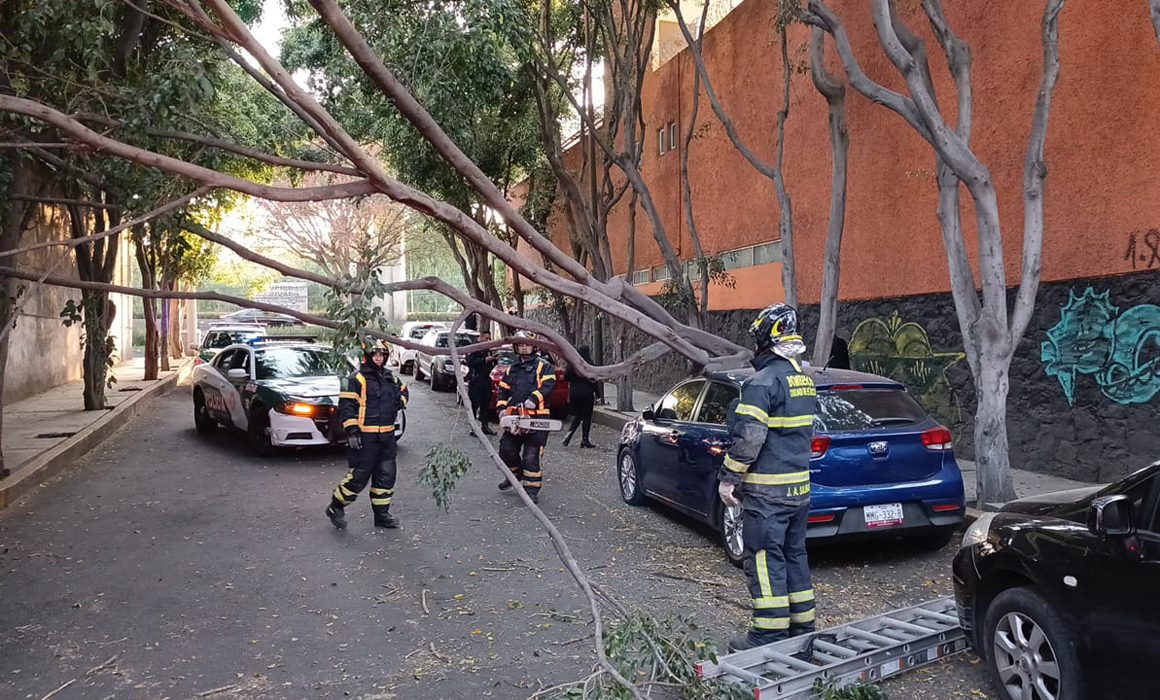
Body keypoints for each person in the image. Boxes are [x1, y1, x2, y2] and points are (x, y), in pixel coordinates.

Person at [719, 303, 817, 651]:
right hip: (800, 492)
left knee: (762, 558)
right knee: (794, 556)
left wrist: (729, 477)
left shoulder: (762, 382)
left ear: (764, 338)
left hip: (768, 496)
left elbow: (750, 438)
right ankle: (802, 629)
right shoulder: (803, 380)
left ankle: (769, 634)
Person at [325, 338, 410, 530]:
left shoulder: (391, 377)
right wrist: (352, 431)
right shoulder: (355, 379)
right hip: (366, 438)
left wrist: (399, 403)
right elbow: (346, 407)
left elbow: (404, 391)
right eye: (375, 354)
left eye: (382, 355)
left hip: (387, 437)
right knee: (358, 478)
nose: (379, 358)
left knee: (386, 476)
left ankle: (381, 515)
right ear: (367, 357)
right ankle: (335, 507)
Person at [495, 330, 556, 504]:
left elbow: (548, 385)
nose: (523, 347)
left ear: (533, 346)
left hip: (537, 420)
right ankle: (515, 475)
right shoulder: (511, 370)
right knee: (506, 449)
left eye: (526, 344)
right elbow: (502, 392)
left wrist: (533, 399)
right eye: (520, 344)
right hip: (515, 419)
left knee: (531, 455)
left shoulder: (544, 366)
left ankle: (531, 490)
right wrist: (501, 411)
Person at [562, 345, 597, 448]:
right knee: (586, 417)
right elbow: (594, 380)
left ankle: (569, 434)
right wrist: (598, 394)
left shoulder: (572, 364)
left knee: (578, 416)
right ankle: (585, 440)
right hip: (587, 394)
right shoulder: (589, 364)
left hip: (574, 394)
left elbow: (566, 377)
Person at [466, 330, 497, 435]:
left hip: (486, 379)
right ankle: (473, 427)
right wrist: (484, 360)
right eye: (486, 338)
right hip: (476, 379)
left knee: (486, 404)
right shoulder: (473, 348)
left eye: (489, 339)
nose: (488, 341)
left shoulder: (488, 349)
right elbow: (470, 363)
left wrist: (493, 359)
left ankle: (485, 425)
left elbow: (491, 364)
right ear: (481, 337)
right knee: (474, 404)